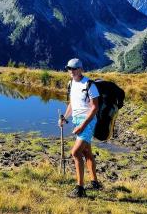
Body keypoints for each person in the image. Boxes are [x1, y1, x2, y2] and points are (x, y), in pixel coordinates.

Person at [59, 58, 102, 198]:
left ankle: (80, 189)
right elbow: (72, 104)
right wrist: (65, 117)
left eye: (73, 68)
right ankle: (95, 182)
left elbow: (95, 108)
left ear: (80, 69)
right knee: (87, 153)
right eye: (69, 68)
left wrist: (82, 126)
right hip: (77, 120)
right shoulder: (71, 83)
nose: (71, 71)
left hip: (88, 122)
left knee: (76, 153)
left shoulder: (90, 85)